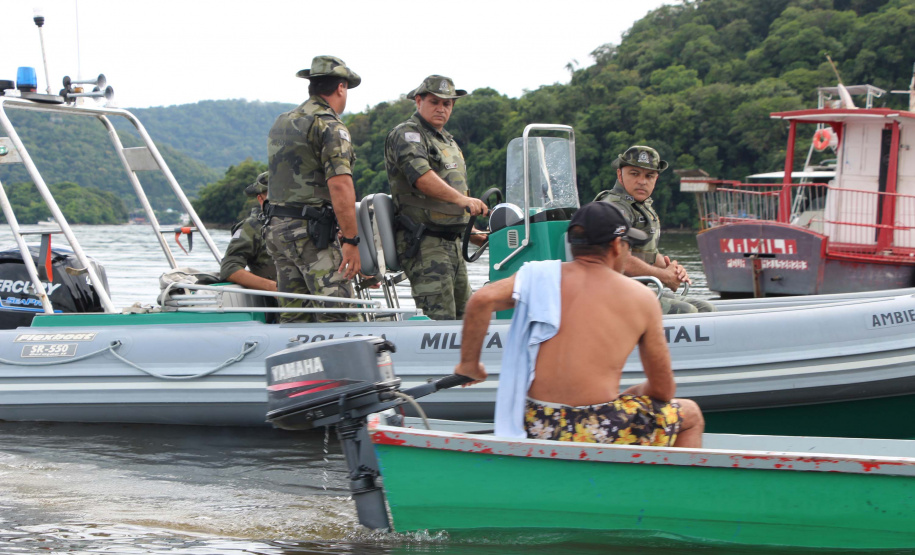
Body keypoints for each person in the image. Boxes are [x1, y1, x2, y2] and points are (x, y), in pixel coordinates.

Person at [455, 202, 704, 448]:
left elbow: (480, 300)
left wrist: (469, 365)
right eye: (629, 245)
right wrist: (632, 393)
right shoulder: (642, 298)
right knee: (691, 414)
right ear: (617, 246)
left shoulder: (538, 276)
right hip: (598, 426)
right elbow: (663, 389)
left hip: (536, 422)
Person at [265, 55, 362, 323]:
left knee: (295, 317)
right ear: (341, 87)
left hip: (277, 230)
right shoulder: (329, 126)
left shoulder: (283, 121)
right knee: (339, 314)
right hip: (309, 234)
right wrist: (352, 242)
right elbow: (340, 185)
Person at [384, 75, 488, 320]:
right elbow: (421, 177)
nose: (441, 108)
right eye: (435, 102)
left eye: (447, 104)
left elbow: (447, 199)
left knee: (469, 317)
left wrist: (473, 234)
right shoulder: (407, 134)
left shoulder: (447, 140)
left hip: (452, 242)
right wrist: (463, 201)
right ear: (419, 101)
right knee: (441, 321)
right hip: (425, 243)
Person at [594, 145, 716, 314]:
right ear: (619, 174)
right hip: (612, 294)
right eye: (634, 174)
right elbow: (620, 258)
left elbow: (646, 252)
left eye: (649, 176)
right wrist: (664, 276)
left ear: (656, 179)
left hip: (633, 290)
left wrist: (672, 270)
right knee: (687, 311)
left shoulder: (640, 205)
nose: (642, 181)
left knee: (706, 307)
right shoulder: (614, 207)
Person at [218, 171, 278, 292]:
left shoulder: (306, 222)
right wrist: (273, 287)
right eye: (273, 195)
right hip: (284, 303)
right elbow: (229, 267)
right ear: (261, 199)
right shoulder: (251, 227)